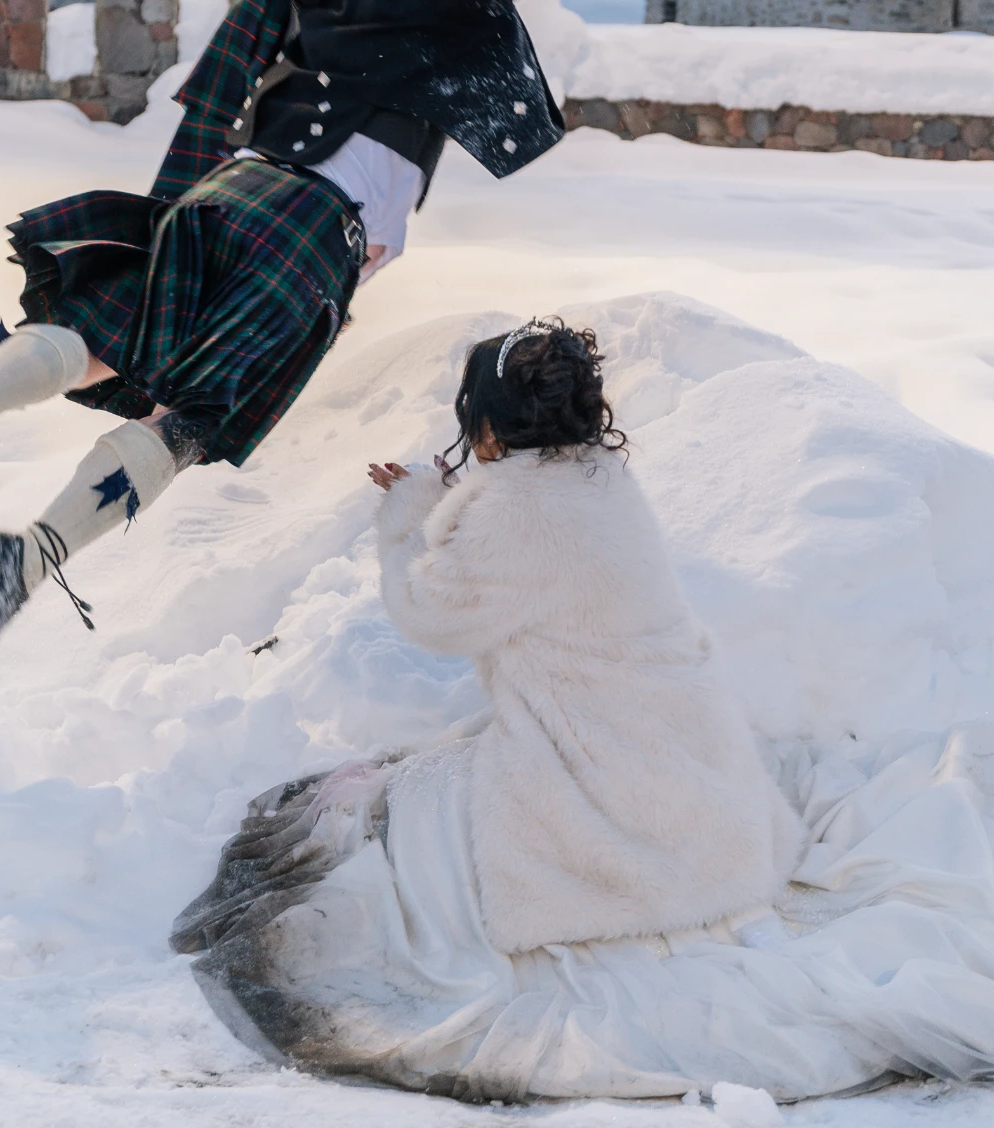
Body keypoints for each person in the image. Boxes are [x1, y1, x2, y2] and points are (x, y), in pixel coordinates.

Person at [0, 0, 680, 694]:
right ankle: (27, 560)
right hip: (310, 241)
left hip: (231, 187)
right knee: (192, 417)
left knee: (105, 337)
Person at [172, 319, 802, 1089]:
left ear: (492, 426)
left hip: (603, 774)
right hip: (690, 755)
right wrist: (452, 497)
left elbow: (428, 614)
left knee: (397, 833)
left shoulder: (512, 513)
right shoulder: (598, 476)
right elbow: (528, 532)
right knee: (415, 793)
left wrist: (408, 517)